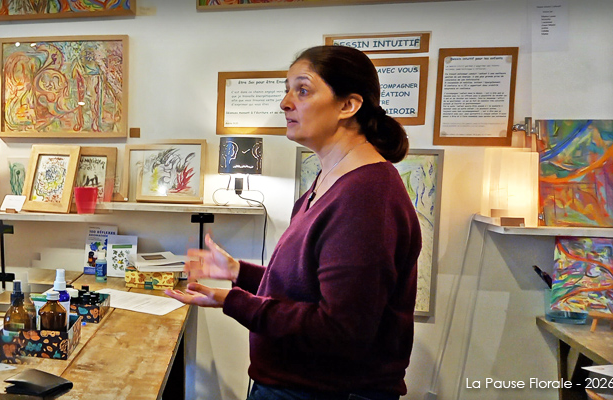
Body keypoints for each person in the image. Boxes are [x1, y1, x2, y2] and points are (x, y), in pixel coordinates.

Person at [165, 45, 422, 400]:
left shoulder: (367, 195)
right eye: (287, 90)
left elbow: (340, 329)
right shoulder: (328, 182)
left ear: (348, 105)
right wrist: (239, 271)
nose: (285, 103)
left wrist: (234, 301)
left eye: (302, 90)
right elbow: (303, 290)